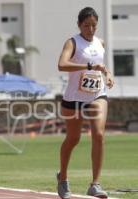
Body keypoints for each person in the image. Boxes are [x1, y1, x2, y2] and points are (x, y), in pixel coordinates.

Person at [56, 7, 114, 199]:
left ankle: (95, 184)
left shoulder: (101, 42)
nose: (90, 29)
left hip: (97, 95)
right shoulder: (72, 42)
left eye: (94, 25)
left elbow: (101, 65)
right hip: (74, 98)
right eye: (86, 25)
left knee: (98, 134)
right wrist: (88, 66)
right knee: (73, 139)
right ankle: (63, 177)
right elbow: (62, 64)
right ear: (79, 24)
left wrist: (108, 74)